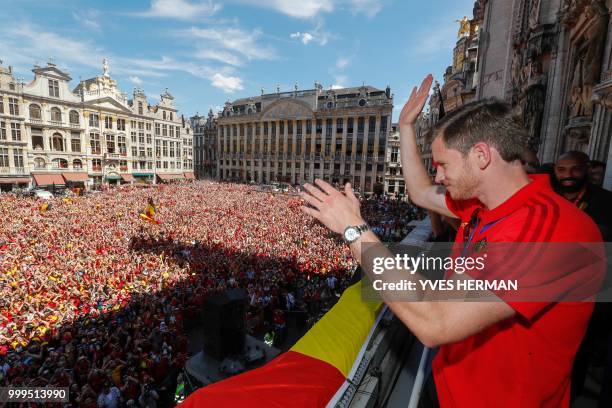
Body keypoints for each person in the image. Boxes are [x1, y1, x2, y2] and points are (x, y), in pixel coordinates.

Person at [300, 75, 604, 407]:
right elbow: (419, 192)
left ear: (481, 156)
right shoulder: (482, 203)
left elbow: (437, 321)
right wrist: (405, 127)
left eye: (443, 165)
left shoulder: (548, 230)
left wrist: (353, 228)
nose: (439, 176)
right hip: (449, 382)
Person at [554, 151, 612, 240]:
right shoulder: (548, 194)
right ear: (555, 169)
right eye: (561, 169)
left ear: (587, 169)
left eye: (576, 169)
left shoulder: (605, 200)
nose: (568, 174)